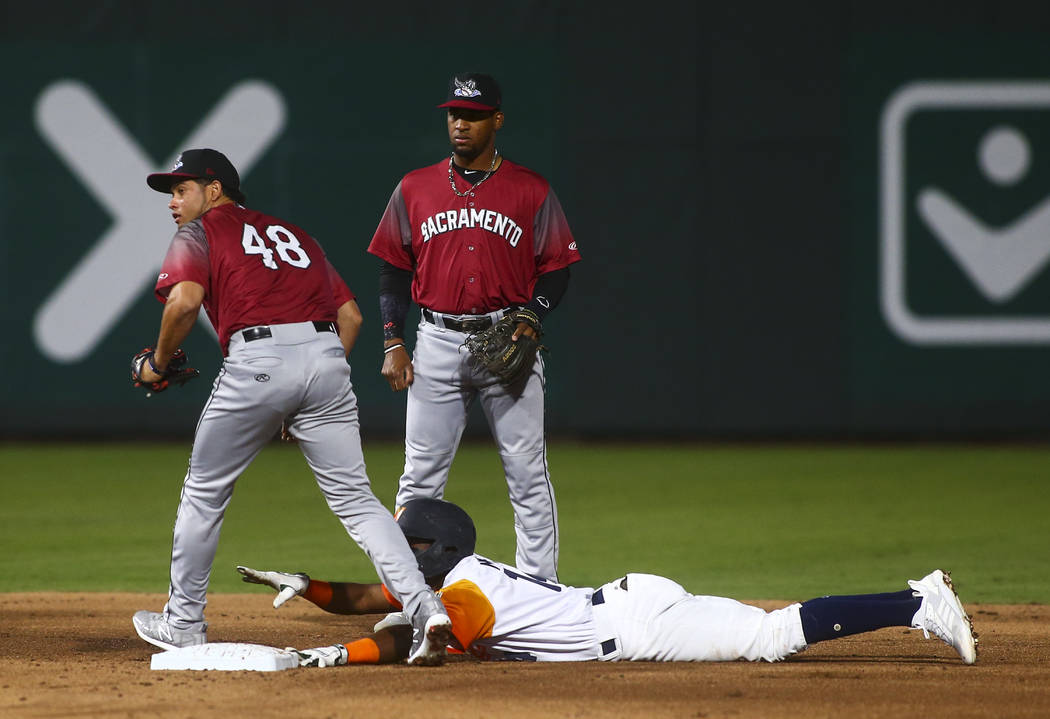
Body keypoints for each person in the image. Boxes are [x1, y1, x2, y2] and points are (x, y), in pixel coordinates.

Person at [130, 148, 452, 665]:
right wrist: (307, 392)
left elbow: (184, 303)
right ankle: (425, 608)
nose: (173, 201)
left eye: (181, 188)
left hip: (258, 360)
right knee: (356, 500)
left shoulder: (198, 233)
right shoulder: (296, 236)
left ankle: (184, 623)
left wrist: (158, 363)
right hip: (326, 362)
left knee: (205, 494)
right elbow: (351, 317)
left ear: (215, 191)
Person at [237, 498, 979, 667]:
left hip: (640, 626)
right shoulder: (453, 576)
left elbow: (413, 641)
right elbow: (372, 601)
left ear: (433, 547)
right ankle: (915, 596)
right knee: (769, 628)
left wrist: (336, 656)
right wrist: (308, 584)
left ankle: (918, 602)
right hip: (628, 601)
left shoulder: (463, 592)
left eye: (405, 544)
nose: (394, 558)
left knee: (771, 635)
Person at [367, 73, 582, 581]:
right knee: (419, 478)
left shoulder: (531, 189)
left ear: (497, 120)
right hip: (436, 339)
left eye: (473, 115)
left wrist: (534, 312)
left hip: (506, 337)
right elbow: (393, 269)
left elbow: (557, 266)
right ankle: (410, 596)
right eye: (453, 114)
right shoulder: (414, 187)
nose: (460, 124)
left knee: (527, 474)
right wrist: (393, 338)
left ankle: (541, 590)